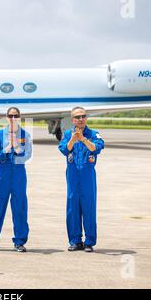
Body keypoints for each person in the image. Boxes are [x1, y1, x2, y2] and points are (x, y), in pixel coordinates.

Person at [0, 107, 32, 253]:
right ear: (6, 117)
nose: (13, 118)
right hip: (2, 173)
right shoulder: (0, 134)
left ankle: (19, 241)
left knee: (20, 207)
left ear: (19, 117)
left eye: (16, 116)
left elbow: (27, 155)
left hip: (18, 173)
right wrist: (8, 147)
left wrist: (16, 146)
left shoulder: (25, 134)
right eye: (10, 115)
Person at [58, 107, 104, 253]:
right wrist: (73, 138)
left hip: (87, 176)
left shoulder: (93, 133)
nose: (81, 119)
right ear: (72, 120)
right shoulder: (67, 134)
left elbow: (96, 148)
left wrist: (83, 139)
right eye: (77, 117)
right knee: (72, 208)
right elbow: (64, 150)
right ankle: (75, 241)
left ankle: (89, 242)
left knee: (89, 207)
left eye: (83, 116)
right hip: (72, 176)